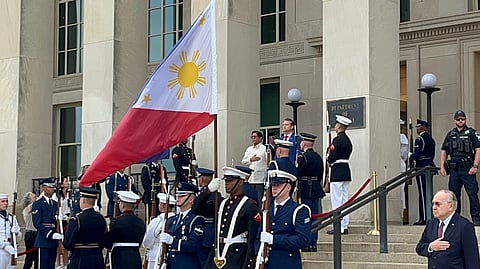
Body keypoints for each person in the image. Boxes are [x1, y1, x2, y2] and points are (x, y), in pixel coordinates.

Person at [203, 167, 261, 269]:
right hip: (218, 253)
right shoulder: (222, 202)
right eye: (226, 181)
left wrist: (248, 263)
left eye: (230, 181)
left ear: (240, 182)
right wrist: (208, 190)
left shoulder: (250, 206)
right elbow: (197, 208)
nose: (226, 184)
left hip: (236, 256)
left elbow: (252, 238)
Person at [256, 170, 310, 269]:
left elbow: (303, 240)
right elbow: (258, 236)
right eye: (273, 185)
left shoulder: (299, 210)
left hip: (287, 263)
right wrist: (259, 254)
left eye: (278, 185)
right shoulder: (267, 210)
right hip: (267, 263)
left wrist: (274, 240)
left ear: (288, 187)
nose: (274, 188)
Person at [416, 190, 480, 268]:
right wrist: (431, 246)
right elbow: (419, 247)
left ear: (450, 206)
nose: (434, 207)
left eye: (438, 204)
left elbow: (472, 259)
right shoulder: (431, 224)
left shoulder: (464, 226)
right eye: (433, 204)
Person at [440, 110, 480, 225]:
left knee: (472, 193)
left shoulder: (472, 133)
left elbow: (478, 149)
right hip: (454, 170)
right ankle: (455, 219)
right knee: (453, 195)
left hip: (468, 169)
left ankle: (476, 218)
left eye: (462, 119)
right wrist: (442, 165)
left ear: (465, 119)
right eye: (458, 119)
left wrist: (475, 166)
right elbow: (444, 150)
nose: (460, 121)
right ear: (454, 120)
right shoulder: (450, 134)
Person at [160, 182, 205, 269]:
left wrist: (173, 241)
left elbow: (194, 245)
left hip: (187, 265)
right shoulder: (173, 219)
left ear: (191, 199)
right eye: (177, 195)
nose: (178, 198)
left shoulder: (196, 220)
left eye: (182, 196)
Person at [63, 187, 107, 269]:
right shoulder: (101, 219)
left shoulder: (77, 219)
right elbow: (103, 240)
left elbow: (67, 243)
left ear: (82, 200)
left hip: (79, 259)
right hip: (97, 259)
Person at [297, 132, 325, 251]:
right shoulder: (318, 157)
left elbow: (299, 174)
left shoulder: (303, 157)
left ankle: (306, 243)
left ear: (304, 143)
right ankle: (314, 243)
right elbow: (320, 174)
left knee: (306, 216)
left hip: (306, 188)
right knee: (315, 216)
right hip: (316, 188)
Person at [105, 191, 146, 269]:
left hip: (120, 257)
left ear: (122, 205)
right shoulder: (140, 222)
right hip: (135, 256)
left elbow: (108, 243)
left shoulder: (116, 221)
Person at [326, 115, 353, 235]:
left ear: (340, 126)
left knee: (337, 200)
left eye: (336, 124)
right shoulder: (347, 140)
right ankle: (344, 224)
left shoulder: (337, 140)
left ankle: (338, 226)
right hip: (345, 170)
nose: (335, 126)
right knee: (344, 199)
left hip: (337, 171)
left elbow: (332, 157)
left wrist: (328, 157)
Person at [191, 167, 222, 267]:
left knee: (206, 264)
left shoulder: (214, 196)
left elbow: (196, 208)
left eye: (198, 178)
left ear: (202, 179)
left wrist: (207, 191)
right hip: (199, 234)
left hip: (207, 235)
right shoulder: (201, 193)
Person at [32, 177, 63, 269]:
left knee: (51, 265)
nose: (53, 189)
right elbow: (37, 223)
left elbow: (55, 221)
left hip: (53, 240)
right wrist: (50, 234)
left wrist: (61, 218)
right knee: (43, 265)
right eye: (50, 187)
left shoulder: (54, 203)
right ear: (44, 188)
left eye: (54, 187)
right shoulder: (38, 204)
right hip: (44, 239)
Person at [410, 119, 436, 225]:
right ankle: (428, 216)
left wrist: (410, 156)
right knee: (428, 193)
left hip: (421, 167)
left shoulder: (420, 139)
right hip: (429, 165)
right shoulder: (431, 139)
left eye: (418, 127)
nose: (417, 129)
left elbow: (417, 155)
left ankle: (424, 218)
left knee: (422, 193)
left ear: (422, 127)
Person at [142, 193, 176, 269]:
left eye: (160, 203)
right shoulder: (176, 220)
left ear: (163, 205)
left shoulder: (157, 221)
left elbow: (148, 241)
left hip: (155, 255)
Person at [241, 130, 268, 200]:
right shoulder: (249, 149)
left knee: (259, 199)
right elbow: (243, 161)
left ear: (260, 138)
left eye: (255, 137)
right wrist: (251, 159)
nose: (253, 139)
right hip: (251, 178)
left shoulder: (264, 149)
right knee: (250, 198)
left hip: (260, 179)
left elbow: (268, 162)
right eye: (252, 137)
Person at [0, 193, 21, 269]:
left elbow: (19, 237)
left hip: (11, 248)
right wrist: (4, 245)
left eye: (6, 201)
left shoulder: (11, 217)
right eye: (3, 201)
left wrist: (16, 232)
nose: (5, 203)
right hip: (1, 249)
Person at [22, 191, 38, 269]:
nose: (36, 198)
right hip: (30, 234)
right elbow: (37, 203)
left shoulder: (34, 209)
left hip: (36, 233)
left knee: (37, 258)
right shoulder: (27, 209)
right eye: (34, 197)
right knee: (30, 257)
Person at [400, 120, 409, 225]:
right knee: (401, 191)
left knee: (401, 190)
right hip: (400, 163)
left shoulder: (402, 137)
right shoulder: (402, 138)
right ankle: (401, 214)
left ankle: (401, 214)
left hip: (399, 164)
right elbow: (405, 154)